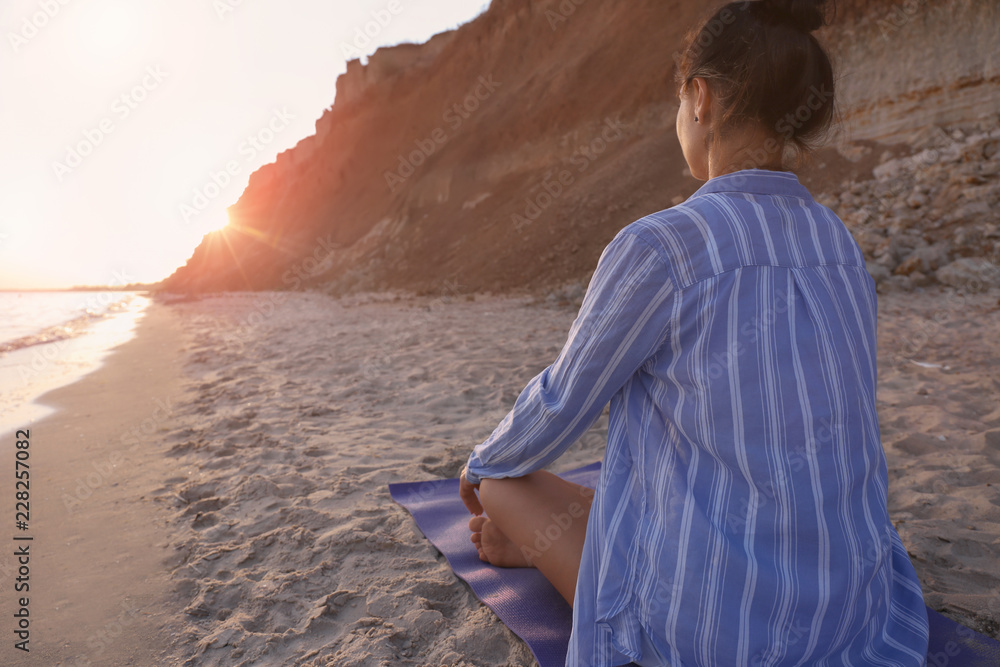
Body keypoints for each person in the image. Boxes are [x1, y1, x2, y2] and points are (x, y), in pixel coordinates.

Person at [458, 0, 931, 665]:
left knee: (506, 482)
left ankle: (546, 544)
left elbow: (564, 401)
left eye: (678, 103)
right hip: (848, 610)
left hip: (713, 636)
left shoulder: (665, 245)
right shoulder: (839, 243)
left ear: (699, 98)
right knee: (674, 476)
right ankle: (541, 545)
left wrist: (479, 463)